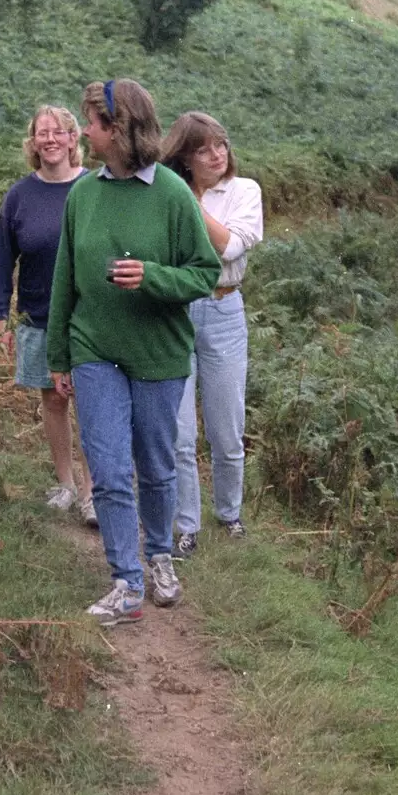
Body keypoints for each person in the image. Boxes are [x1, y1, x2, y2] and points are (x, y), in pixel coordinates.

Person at [47, 79, 221, 626]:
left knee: (155, 462)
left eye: (92, 124)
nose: (84, 132)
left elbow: (205, 273)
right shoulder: (83, 194)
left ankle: (160, 556)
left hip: (158, 354)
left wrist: (153, 277)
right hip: (94, 349)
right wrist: (58, 356)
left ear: (118, 130)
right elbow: (64, 281)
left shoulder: (171, 193)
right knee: (108, 465)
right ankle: (126, 581)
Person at [164, 112, 264, 558]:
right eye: (203, 148)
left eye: (221, 144)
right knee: (180, 431)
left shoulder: (245, 190)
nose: (217, 154)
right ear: (185, 156)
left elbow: (228, 246)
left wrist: (186, 201)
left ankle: (230, 514)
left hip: (225, 308)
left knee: (227, 428)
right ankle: (186, 524)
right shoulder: (165, 195)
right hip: (175, 312)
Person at [0, 106, 93, 520]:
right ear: (32, 143)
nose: (49, 139)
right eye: (41, 133)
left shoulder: (94, 188)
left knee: (90, 401)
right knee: (52, 401)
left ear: (73, 139)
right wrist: (1, 316)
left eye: (58, 132)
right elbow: (3, 260)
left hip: (89, 316)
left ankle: (93, 492)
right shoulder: (19, 196)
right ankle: (66, 483)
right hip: (37, 315)